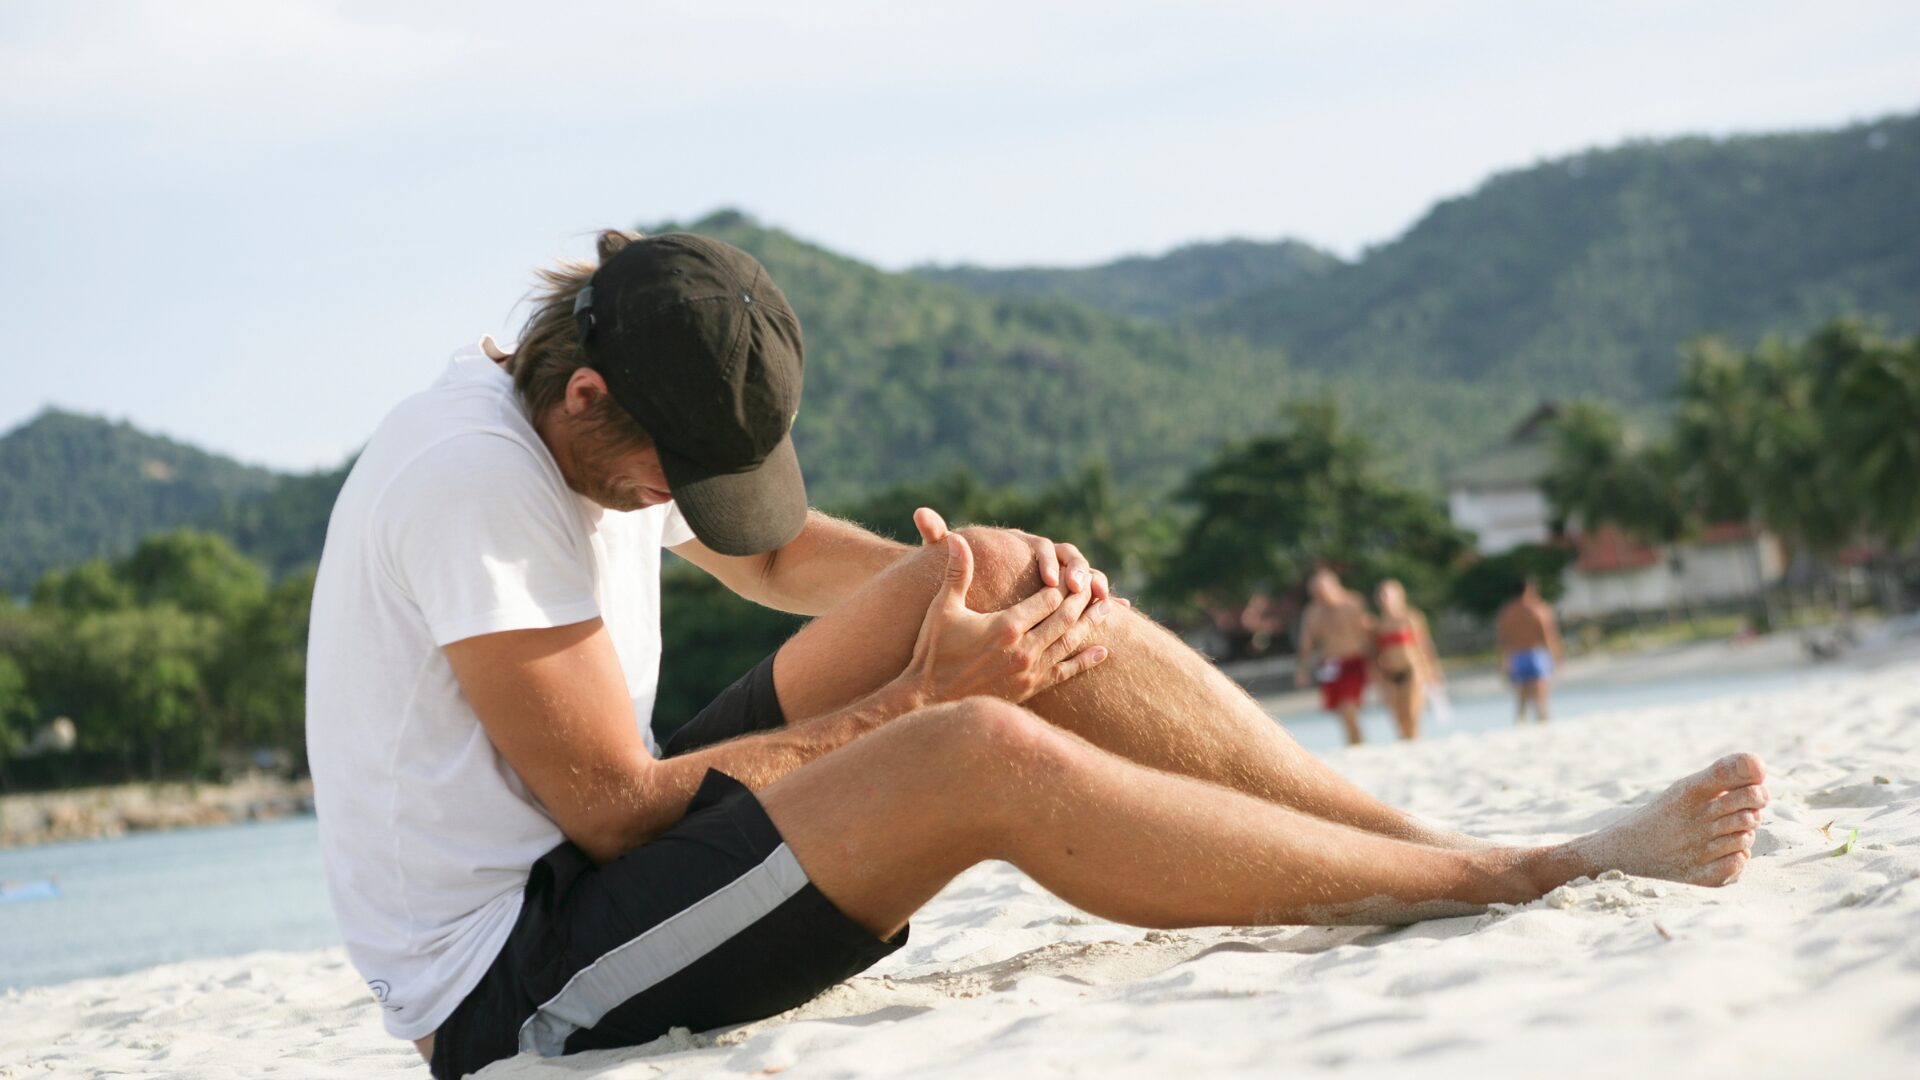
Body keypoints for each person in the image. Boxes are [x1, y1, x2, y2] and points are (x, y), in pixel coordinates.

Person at [307, 230, 1769, 1080]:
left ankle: (1427, 837)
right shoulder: (476, 481)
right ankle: (1500, 877)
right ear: (580, 396)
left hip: (610, 857)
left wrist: (978, 604)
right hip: (518, 979)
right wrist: (919, 693)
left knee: (987, 568)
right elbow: (617, 810)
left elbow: (766, 556)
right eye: (664, 480)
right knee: (972, 752)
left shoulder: (580, 421)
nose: (671, 510)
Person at [1294, 568, 1374, 744]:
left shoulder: (1353, 603)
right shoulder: (1313, 611)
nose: (1320, 596)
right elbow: (1306, 643)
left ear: (1335, 587)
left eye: (1322, 591)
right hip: (1330, 665)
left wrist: (1374, 663)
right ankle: (1354, 743)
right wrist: (1302, 670)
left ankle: (1358, 744)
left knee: (1349, 706)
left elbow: (1366, 634)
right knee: (1341, 710)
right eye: (1316, 593)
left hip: (1352, 661)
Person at [1371, 579, 1443, 741]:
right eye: (1381, 596)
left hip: (1412, 669)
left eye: (1387, 595)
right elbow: (1375, 652)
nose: (1384, 600)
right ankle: (1407, 744)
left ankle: (1416, 742)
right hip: (1390, 673)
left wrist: (1433, 672)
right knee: (1398, 717)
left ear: (1399, 596)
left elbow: (1424, 645)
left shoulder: (1411, 617)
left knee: (1412, 713)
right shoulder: (1379, 624)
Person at [1496, 576, 1565, 724]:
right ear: (1529, 589)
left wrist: (1503, 662)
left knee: (1521, 698)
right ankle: (1542, 724)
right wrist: (1556, 657)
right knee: (1540, 700)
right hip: (1535, 655)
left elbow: (1502, 640)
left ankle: (1520, 725)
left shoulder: (1507, 612)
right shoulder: (1538, 609)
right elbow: (1548, 636)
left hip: (1516, 656)